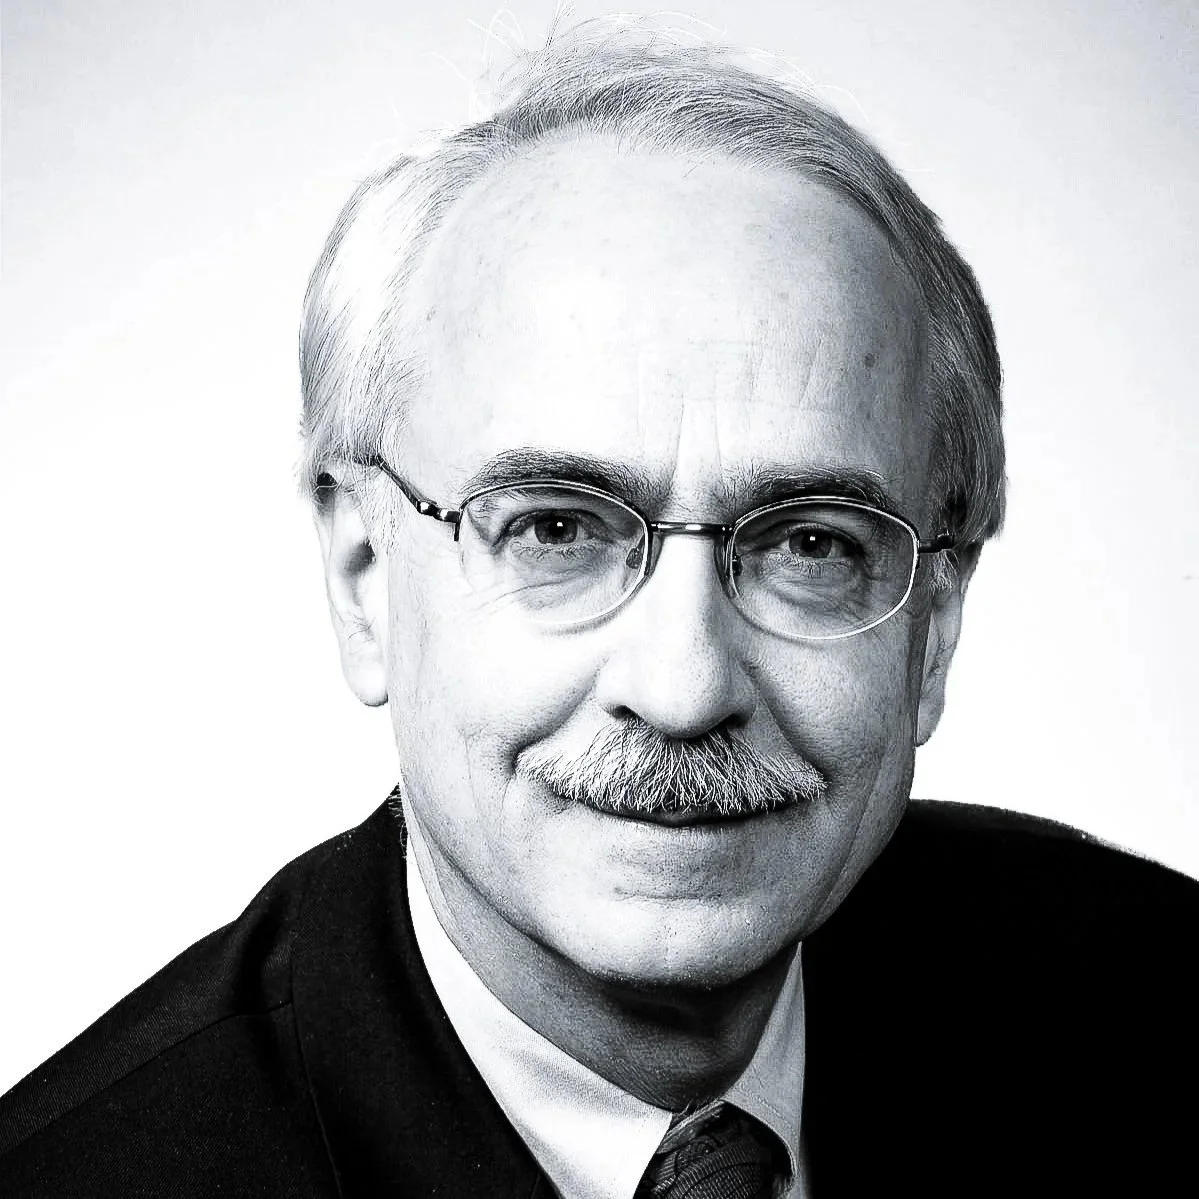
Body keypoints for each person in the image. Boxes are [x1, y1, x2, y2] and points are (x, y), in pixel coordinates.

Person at [1, 21, 1195, 1199]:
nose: (682, 687)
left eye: (809, 542)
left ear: (931, 624)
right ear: (365, 575)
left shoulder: (1149, 1013)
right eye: (556, 529)